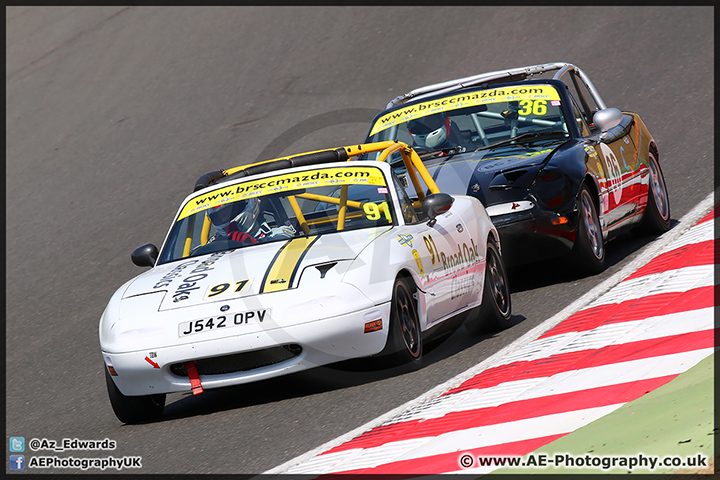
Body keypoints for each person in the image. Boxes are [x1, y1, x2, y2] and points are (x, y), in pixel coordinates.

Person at [207, 198, 295, 245]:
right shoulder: (213, 244)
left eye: (229, 212)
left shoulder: (279, 233)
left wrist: (255, 244)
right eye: (221, 216)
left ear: (251, 204)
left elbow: (286, 237)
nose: (225, 219)